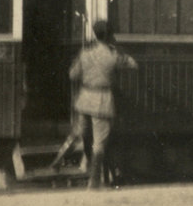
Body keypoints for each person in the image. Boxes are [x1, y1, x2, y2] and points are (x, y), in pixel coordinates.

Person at [48, 19, 137, 189]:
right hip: (102, 101)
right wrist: (118, 51)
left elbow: (72, 75)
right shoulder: (113, 56)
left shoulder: (85, 54)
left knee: (78, 132)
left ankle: (59, 159)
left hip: (85, 99)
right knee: (99, 142)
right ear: (110, 36)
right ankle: (94, 182)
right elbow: (133, 65)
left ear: (96, 35)